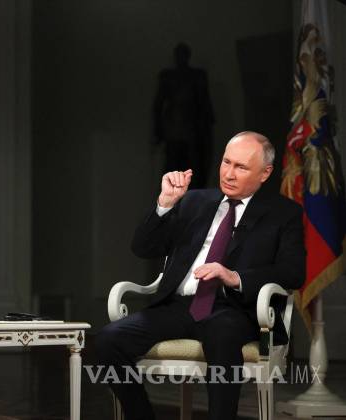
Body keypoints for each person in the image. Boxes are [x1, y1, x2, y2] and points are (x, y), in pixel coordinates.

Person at [95, 131, 306, 420]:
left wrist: (235, 277)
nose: (229, 174)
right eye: (226, 162)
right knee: (108, 339)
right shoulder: (193, 201)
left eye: (241, 167)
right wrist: (165, 204)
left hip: (234, 310)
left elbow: (293, 272)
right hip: (178, 307)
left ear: (265, 173)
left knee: (222, 335)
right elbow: (143, 248)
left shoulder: (283, 213)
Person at [153, 43, 214, 189]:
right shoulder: (168, 77)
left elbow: (204, 102)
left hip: (192, 130)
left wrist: (206, 125)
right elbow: (158, 104)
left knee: (195, 170)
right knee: (175, 168)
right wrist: (158, 130)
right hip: (175, 130)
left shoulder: (197, 76)